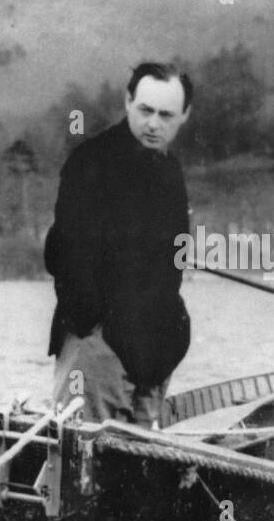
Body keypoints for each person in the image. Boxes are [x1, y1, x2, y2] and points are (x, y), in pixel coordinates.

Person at [44, 62, 193, 426]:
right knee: (82, 457)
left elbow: (172, 261)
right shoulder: (90, 163)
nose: (154, 124)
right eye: (145, 110)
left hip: (155, 352)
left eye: (166, 115)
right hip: (99, 350)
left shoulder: (171, 171)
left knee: (137, 471)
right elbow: (62, 254)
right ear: (128, 102)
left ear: (184, 115)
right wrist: (94, 332)